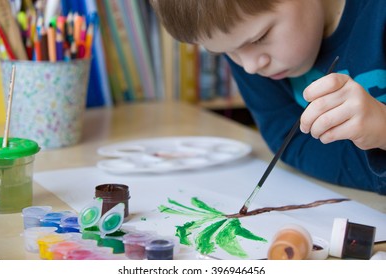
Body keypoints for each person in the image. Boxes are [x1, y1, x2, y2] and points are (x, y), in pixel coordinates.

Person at [150, 0, 386, 194]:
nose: (250, 67)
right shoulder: (246, 49)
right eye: (225, 51)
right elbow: (288, 140)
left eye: (259, 38)